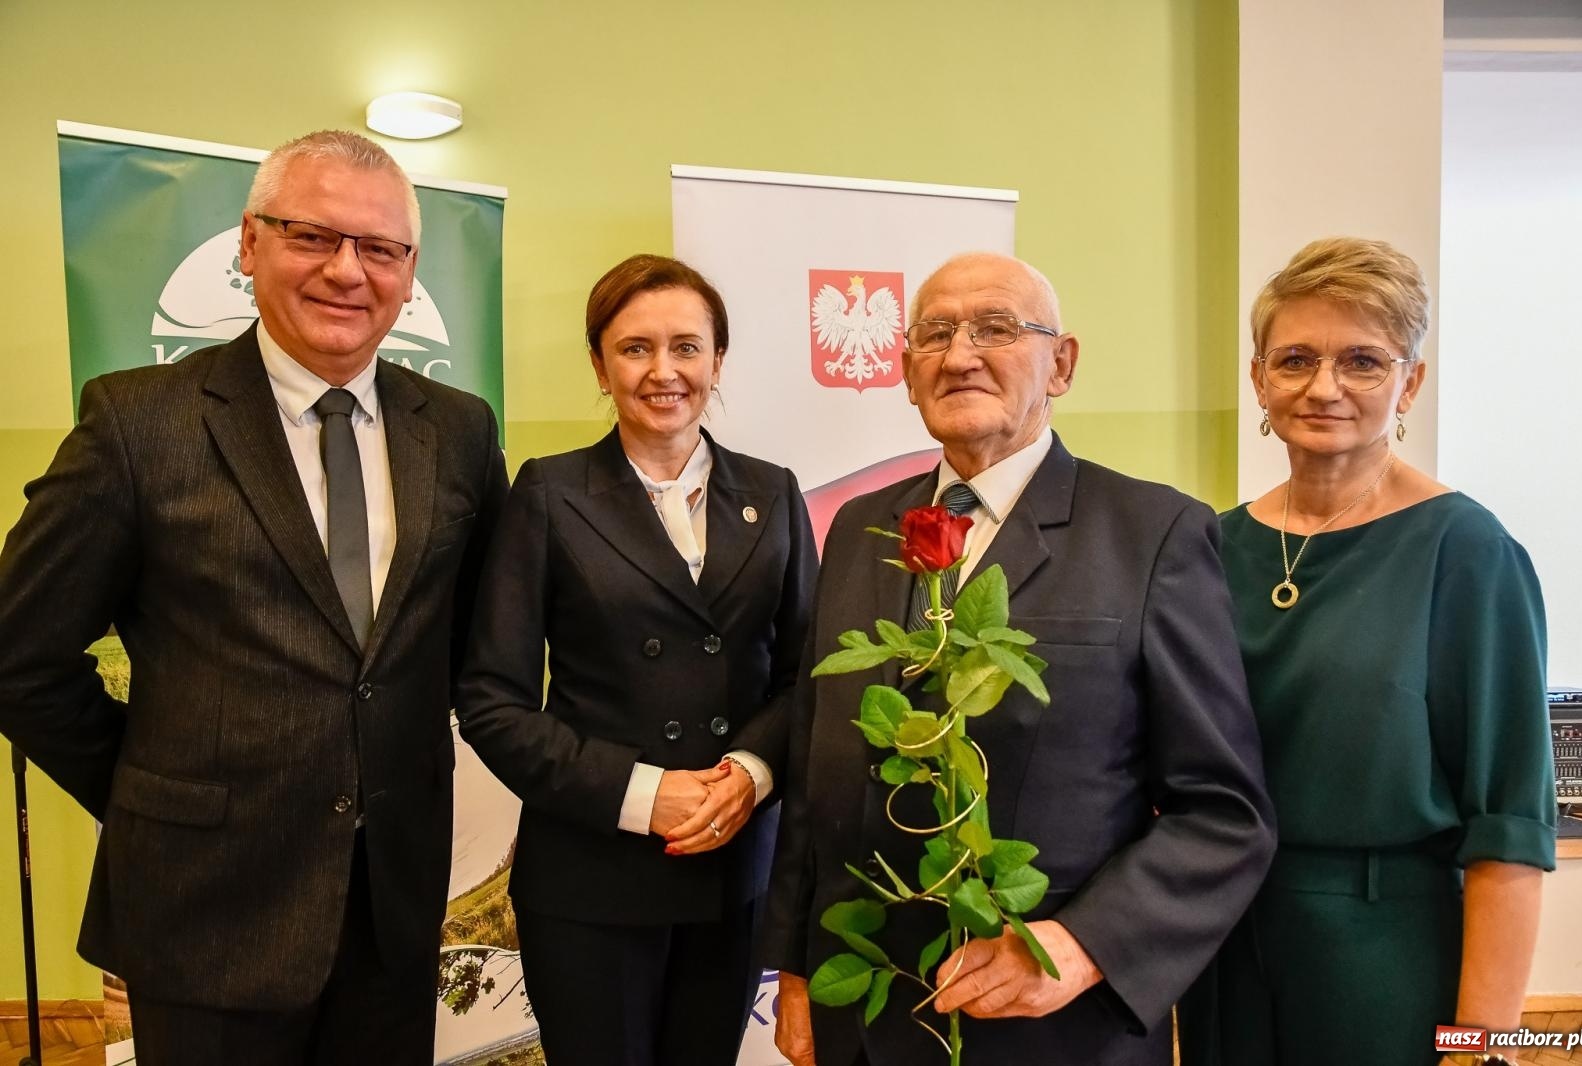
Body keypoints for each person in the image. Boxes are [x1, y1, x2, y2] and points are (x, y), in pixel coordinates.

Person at [0, 129, 509, 1064]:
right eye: (313, 236)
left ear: (410, 269)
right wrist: (149, 787)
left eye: (381, 249)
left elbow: (479, 645)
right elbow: (19, 656)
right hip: (205, 912)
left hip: (391, 912)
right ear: (249, 244)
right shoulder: (137, 422)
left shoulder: (462, 432)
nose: (348, 272)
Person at [764, 251, 1276, 1065]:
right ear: (904, 371)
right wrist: (795, 966)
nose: (960, 355)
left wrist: (1083, 947)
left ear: (1062, 363)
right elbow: (815, 761)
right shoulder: (860, 530)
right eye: (935, 334)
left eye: (996, 328)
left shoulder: (1154, 535)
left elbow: (1224, 814)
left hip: (1052, 1024)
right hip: (867, 1015)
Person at [1180, 237, 1555, 1066]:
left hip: (1387, 956)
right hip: (1222, 947)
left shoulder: (1468, 550)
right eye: (1296, 359)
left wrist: (1483, 1048)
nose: (1324, 387)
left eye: (1362, 361)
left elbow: (1510, 825)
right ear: (1258, 380)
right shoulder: (1209, 545)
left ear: (1410, 381)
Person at [455, 253, 817, 1066]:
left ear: (718, 358)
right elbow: (491, 698)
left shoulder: (776, 491)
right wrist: (641, 794)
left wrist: (751, 775)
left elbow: (807, 676)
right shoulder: (549, 494)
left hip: (733, 871)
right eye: (635, 348)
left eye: (687, 347)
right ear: (599, 362)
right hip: (592, 876)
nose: (664, 371)